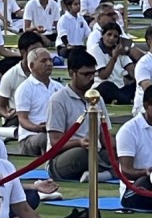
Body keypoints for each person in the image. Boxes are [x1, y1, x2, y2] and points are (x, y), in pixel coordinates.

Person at [46, 49, 113, 182]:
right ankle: (108, 172)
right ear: (72, 73)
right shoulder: (58, 100)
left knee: (121, 154)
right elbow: (55, 142)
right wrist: (79, 142)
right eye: (86, 74)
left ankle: (101, 173)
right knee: (83, 154)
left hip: (95, 151)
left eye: (93, 73)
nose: (91, 78)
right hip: (64, 157)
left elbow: (105, 135)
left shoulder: (97, 98)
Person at [116, 84, 152, 212]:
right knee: (148, 181)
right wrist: (146, 172)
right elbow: (126, 171)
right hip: (135, 188)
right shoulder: (128, 130)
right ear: (146, 106)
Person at [14, 48, 63, 156]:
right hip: (30, 136)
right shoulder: (24, 88)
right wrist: (38, 128)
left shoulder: (59, 87)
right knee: (45, 138)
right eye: (43, 61)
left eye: (50, 60)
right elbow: (22, 119)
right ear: (31, 66)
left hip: (54, 132)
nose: (49, 64)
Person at [0, 31, 44, 129]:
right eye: (34, 50)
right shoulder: (9, 76)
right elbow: (1, 107)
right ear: (23, 53)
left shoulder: (43, 73)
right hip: (17, 118)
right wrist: (7, 114)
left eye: (40, 50)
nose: (38, 54)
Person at [88, 21, 135, 105]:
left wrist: (137, 77)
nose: (112, 38)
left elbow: (130, 68)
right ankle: (125, 100)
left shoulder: (119, 49)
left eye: (115, 36)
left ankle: (121, 99)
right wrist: (114, 57)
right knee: (107, 86)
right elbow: (104, 75)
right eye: (109, 35)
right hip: (103, 86)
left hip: (120, 87)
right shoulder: (95, 50)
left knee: (137, 84)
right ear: (103, 35)